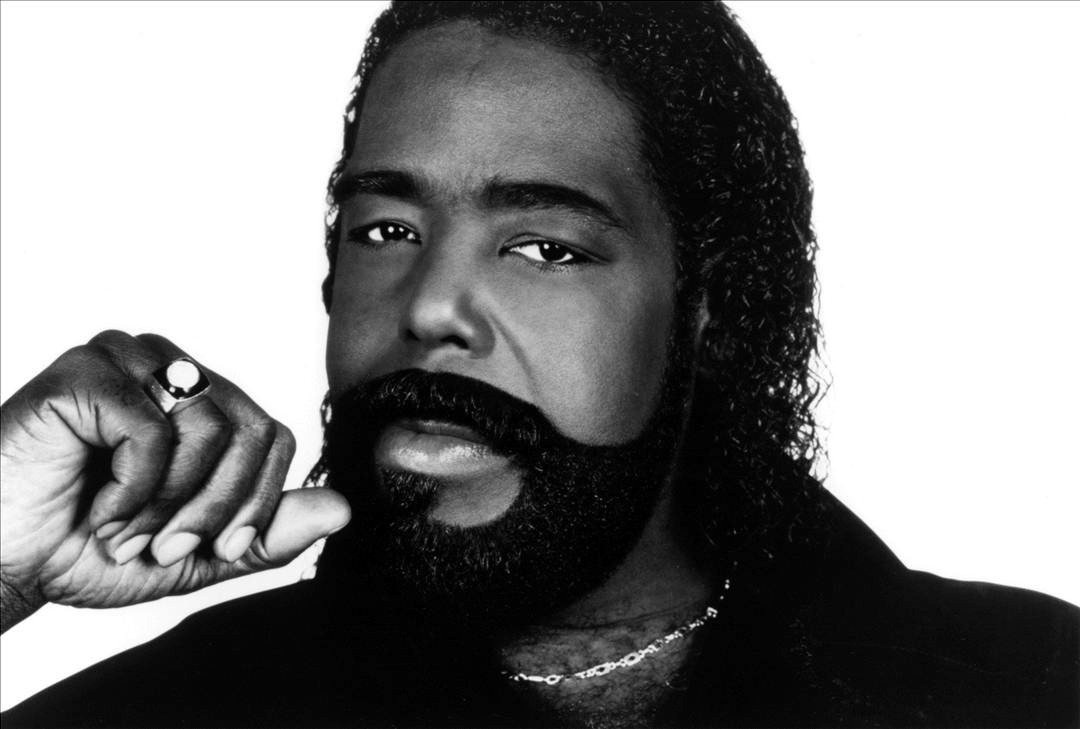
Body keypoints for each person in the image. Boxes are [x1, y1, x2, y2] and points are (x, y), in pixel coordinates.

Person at [1, 2, 1077, 727]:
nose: (429, 309)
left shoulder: (1030, 687)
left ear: (710, 309)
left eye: (546, 248)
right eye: (386, 230)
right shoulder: (157, 712)